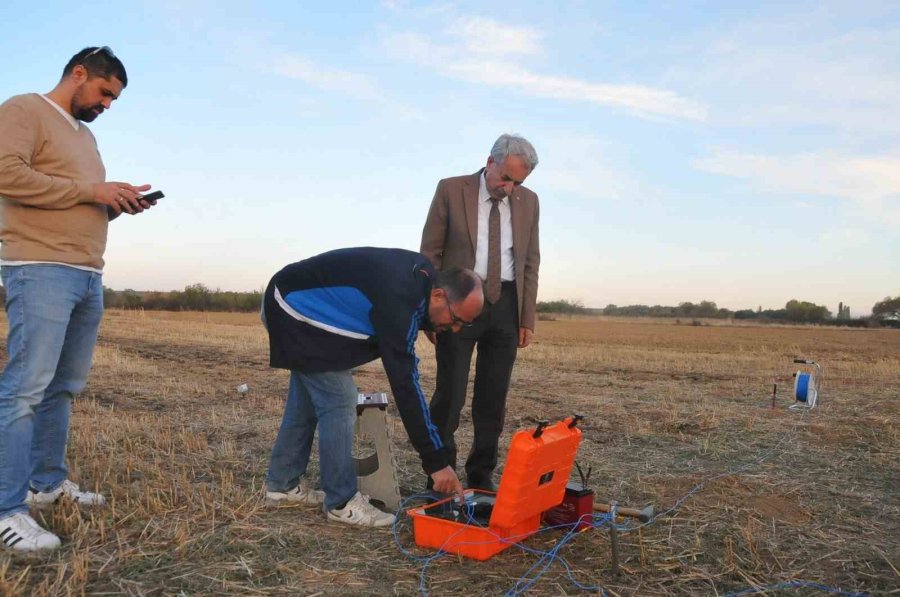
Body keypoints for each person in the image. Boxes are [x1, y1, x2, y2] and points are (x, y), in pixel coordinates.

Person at [0, 47, 158, 552]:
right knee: (25, 389)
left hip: (87, 275)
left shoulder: (86, 137)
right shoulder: (24, 109)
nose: (107, 105)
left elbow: (75, 198)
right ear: (79, 73)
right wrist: (92, 190)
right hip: (39, 268)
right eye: (105, 92)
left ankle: (46, 482)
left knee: (61, 388)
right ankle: (7, 508)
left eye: (114, 99)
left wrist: (114, 203)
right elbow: (7, 174)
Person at [262, 247, 483, 527]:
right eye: (456, 319)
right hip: (292, 308)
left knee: (306, 402)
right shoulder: (400, 300)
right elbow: (405, 385)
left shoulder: (423, 278)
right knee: (340, 399)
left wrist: (427, 319)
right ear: (439, 295)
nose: (455, 329)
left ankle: (282, 484)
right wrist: (436, 462)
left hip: (289, 295)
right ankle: (341, 503)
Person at [420, 134, 540, 491]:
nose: (510, 187)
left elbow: (531, 260)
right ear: (490, 161)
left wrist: (526, 317)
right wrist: (430, 310)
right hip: (458, 302)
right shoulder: (451, 189)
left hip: (506, 304)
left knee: (493, 397)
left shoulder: (529, 201)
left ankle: (481, 476)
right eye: (506, 177)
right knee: (450, 395)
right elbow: (430, 253)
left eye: (518, 181)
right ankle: (441, 474)